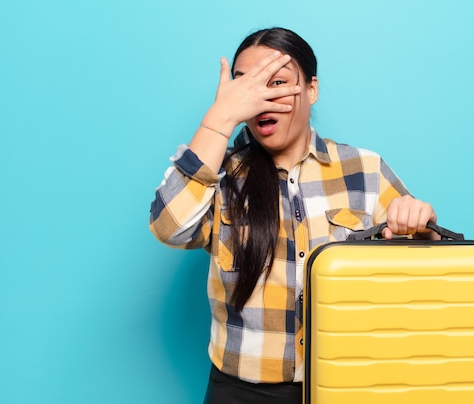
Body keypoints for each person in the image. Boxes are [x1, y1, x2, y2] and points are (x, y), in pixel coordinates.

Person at [149, 27, 439, 404]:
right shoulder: (219, 175)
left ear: (312, 89)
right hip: (240, 391)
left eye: (278, 83)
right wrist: (220, 117)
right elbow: (169, 228)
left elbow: (425, 279)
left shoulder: (364, 169)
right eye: (248, 87)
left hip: (347, 386)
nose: (262, 100)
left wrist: (419, 226)